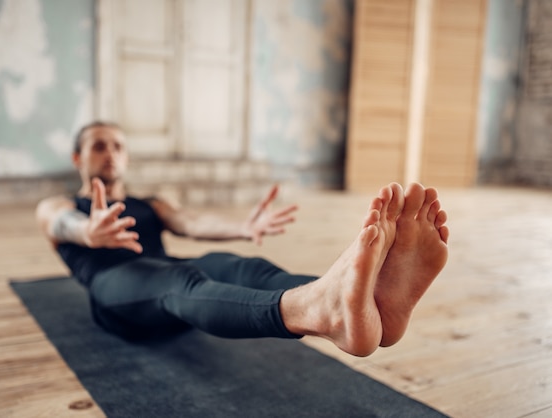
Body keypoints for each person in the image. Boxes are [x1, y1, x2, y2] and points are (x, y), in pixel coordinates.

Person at [36, 121, 449, 357]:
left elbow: (192, 222)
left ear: (126, 157)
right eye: (98, 146)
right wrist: (87, 230)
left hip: (171, 273)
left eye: (118, 146)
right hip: (121, 293)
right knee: (180, 284)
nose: (110, 153)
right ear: (78, 158)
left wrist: (242, 228)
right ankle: (315, 310)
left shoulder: (151, 203)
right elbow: (59, 224)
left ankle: (370, 304)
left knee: (236, 265)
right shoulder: (60, 205)